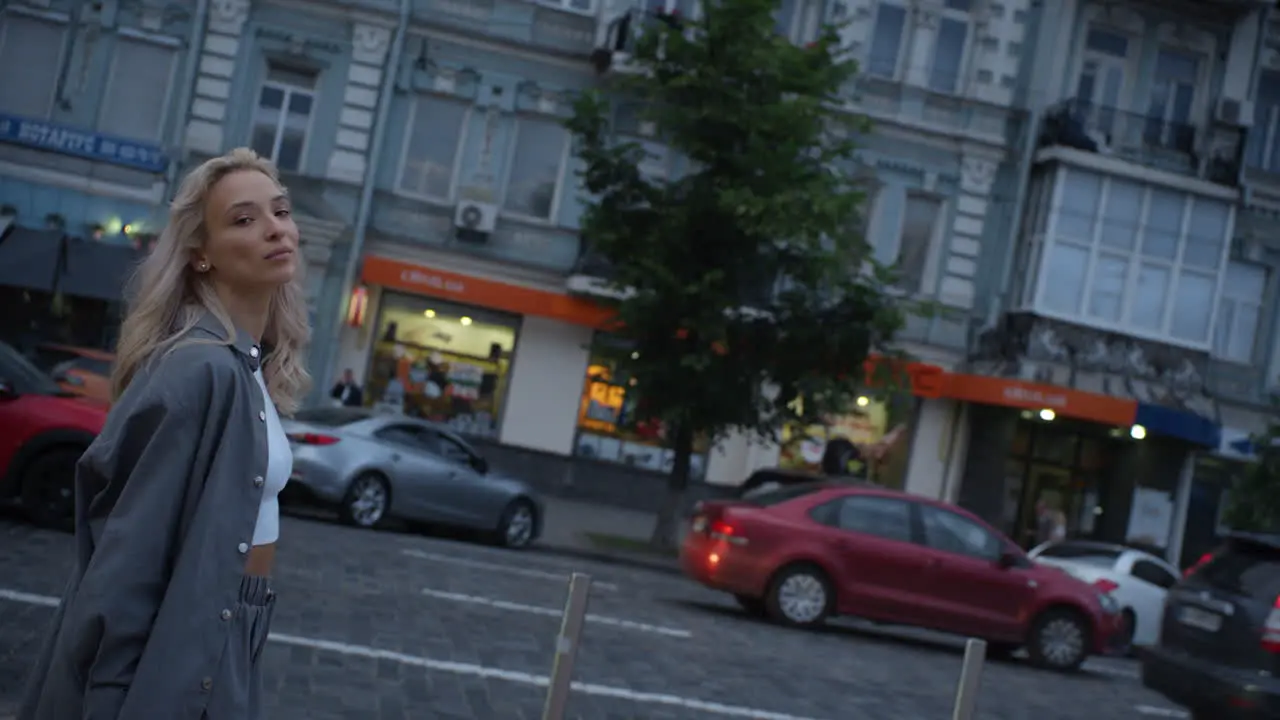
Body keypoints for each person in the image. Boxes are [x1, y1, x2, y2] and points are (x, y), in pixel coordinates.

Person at [18, 148, 311, 720]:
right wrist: (111, 695)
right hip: (183, 641)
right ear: (201, 254)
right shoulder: (197, 369)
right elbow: (127, 562)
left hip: (231, 623)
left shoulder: (245, 364)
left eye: (280, 211)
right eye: (245, 219)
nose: (277, 229)